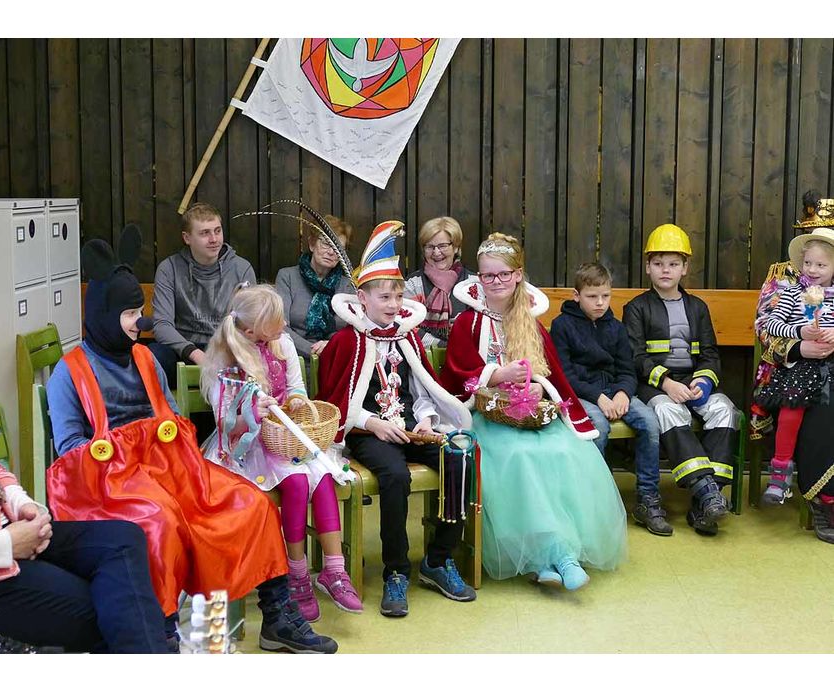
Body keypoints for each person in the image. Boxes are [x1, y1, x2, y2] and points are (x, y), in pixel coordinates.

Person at [45, 235, 337, 654]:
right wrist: (124, 450)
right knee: (160, 522)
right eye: (129, 313)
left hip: (169, 471)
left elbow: (171, 416)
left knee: (250, 503)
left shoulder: (146, 359)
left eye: (139, 312)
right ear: (104, 314)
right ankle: (162, 632)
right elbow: (71, 448)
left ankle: (277, 617)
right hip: (109, 486)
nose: (138, 323)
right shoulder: (69, 372)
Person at [0, 253, 170, 653]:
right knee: (115, 610)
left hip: (8, 533)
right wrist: (7, 544)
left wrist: (20, 501)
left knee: (124, 540)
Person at [440, 234, 627, 591]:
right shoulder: (468, 323)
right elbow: (456, 376)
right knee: (521, 458)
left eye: (503, 275)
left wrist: (541, 387)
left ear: (518, 275)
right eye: (487, 276)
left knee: (561, 451)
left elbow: (551, 373)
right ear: (478, 278)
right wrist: (497, 375)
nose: (495, 283)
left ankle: (560, 553)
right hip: (488, 418)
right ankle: (545, 555)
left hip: (530, 416)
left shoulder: (532, 323)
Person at [317, 221, 476, 618]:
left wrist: (426, 421)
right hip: (366, 433)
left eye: (398, 295)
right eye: (383, 296)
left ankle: (438, 559)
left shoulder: (408, 338)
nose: (392, 304)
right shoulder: (345, 342)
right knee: (395, 476)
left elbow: (422, 390)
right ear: (362, 298)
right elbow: (336, 402)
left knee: (460, 456)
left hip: (411, 430)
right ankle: (396, 570)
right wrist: (372, 423)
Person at [201, 284, 361, 621]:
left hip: (284, 438)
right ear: (250, 330)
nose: (285, 325)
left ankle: (334, 570)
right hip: (246, 449)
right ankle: (297, 574)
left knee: (322, 476)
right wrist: (253, 412)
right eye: (276, 321)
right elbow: (225, 418)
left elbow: (296, 387)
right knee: (299, 482)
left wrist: (296, 401)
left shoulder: (282, 344)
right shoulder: (228, 358)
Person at [623, 224, 740, 536]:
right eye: (659, 263)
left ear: (685, 268)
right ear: (648, 267)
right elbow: (635, 357)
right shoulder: (635, 308)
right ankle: (707, 493)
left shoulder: (697, 307)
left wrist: (703, 382)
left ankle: (705, 505)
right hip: (655, 386)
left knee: (724, 409)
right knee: (665, 410)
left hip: (692, 381)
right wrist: (667, 384)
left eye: (674, 264)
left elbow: (711, 354)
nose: (666, 270)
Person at [550, 262, 671, 536]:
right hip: (582, 394)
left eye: (605, 296)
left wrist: (622, 393)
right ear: (576, 295)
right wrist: (600, 398)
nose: (600, 303)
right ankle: (598, 502)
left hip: (616, 391)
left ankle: (647, 500)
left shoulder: (615, 328)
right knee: (598, 428)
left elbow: (627, 369)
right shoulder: (562, 326)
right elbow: (564, 376)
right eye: (592, 297)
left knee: (649, 423)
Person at [752, 193, 834, 542]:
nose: (813, 269)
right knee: (812, 410)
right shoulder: (785, 279)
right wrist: (801, 346)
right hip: (794, 367)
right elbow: (764, 327)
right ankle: (823, 498)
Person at [151, 202, 256, 388]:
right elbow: (161, 325)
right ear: (187, 238)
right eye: (204, 233)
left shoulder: (241, 268)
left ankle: (237, 415)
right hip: (184, 351)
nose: (214, 239)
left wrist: (225, 353)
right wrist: (196, 354)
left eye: (217, 230)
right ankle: (163, 415)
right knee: (153, 357)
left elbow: (251, 320)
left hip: (228, 349)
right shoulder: (169, 269)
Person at [275, 214, 355, 359]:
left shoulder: (348, 285)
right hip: (294, 357)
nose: (331, 252)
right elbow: (280, 325)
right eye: (326, 244)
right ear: (312, 244)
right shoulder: (287, 277)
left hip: (336, 359)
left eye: (338, 248)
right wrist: (314, 351)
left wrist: (331, 346)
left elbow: (353, 331)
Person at [404, 216, 474, 348]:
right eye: (429, 247)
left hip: (467, 358)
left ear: (456, 248)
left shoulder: (472, 284)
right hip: (422, 361)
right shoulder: (412, 284)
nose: (436, 252)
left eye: (443, 246)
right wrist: (444, 348)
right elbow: (406, 325)